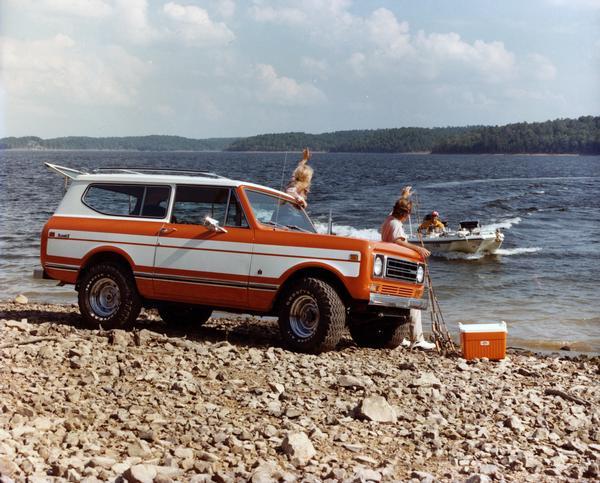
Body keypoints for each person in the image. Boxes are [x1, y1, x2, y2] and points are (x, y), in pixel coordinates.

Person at [380, 186, 436, 350]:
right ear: (405, 215)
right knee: (413, 301)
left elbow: (394, 210)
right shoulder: (396, 224)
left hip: (387, 268)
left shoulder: (389, 219)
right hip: (396, 267)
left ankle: (399, 336)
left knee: (397, 305)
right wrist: (417, 249)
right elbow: (398, 241)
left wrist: (404, 196)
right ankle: (417, 339)